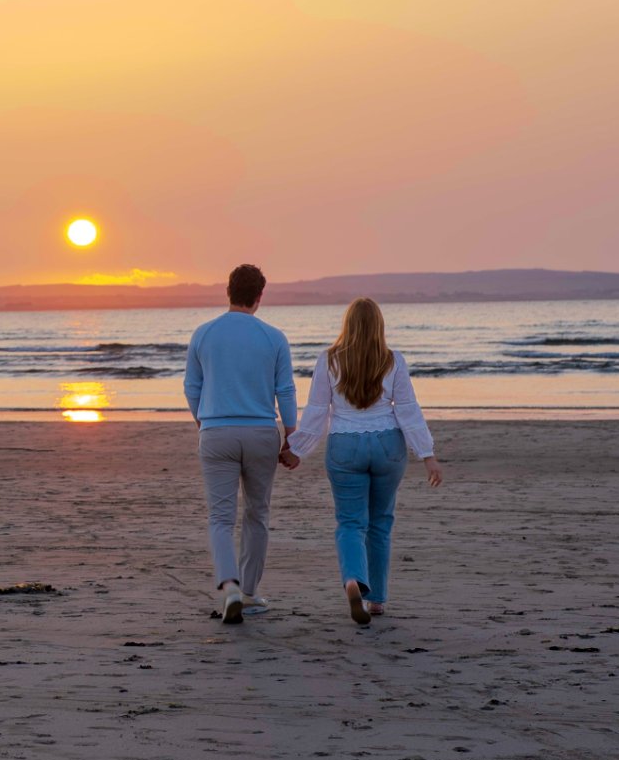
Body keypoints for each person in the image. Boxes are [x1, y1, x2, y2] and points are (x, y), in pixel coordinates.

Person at [288, 298, 443, 625]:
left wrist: (296, 449)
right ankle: (376, 600)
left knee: (350, 522)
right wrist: (427, 455)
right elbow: (408, 411)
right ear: (379, 326)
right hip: (387, 444)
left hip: (344, 445)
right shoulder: (393, 361)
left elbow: (317, 412)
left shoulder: (329, 360)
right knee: (381, 521)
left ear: (347, 325)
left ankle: (353, 580)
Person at [184, 264, 300, 624]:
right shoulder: (273, 337)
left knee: (220, 517)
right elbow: (285, 390)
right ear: (259, 296)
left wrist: (203, 421)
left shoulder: (204, 334)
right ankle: (249, 591)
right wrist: (291, 436)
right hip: (261, 432)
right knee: (257, 513)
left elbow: (192, 387)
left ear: (228, 292)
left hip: (217, 432)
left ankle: (230, 585)